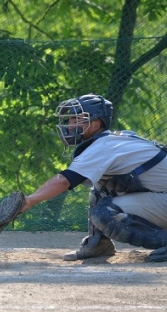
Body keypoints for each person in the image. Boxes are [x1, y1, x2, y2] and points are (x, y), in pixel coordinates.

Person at [17, 94, 167, 262]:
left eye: (77, 120)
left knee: (105, 213)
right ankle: (99, 245)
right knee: (100, 190)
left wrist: (29, 201)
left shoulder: (104, 146)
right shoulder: (113, 140)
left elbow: (65, 180)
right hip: (161, 197)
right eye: (70, 120)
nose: (70, 125)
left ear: (95, 124)